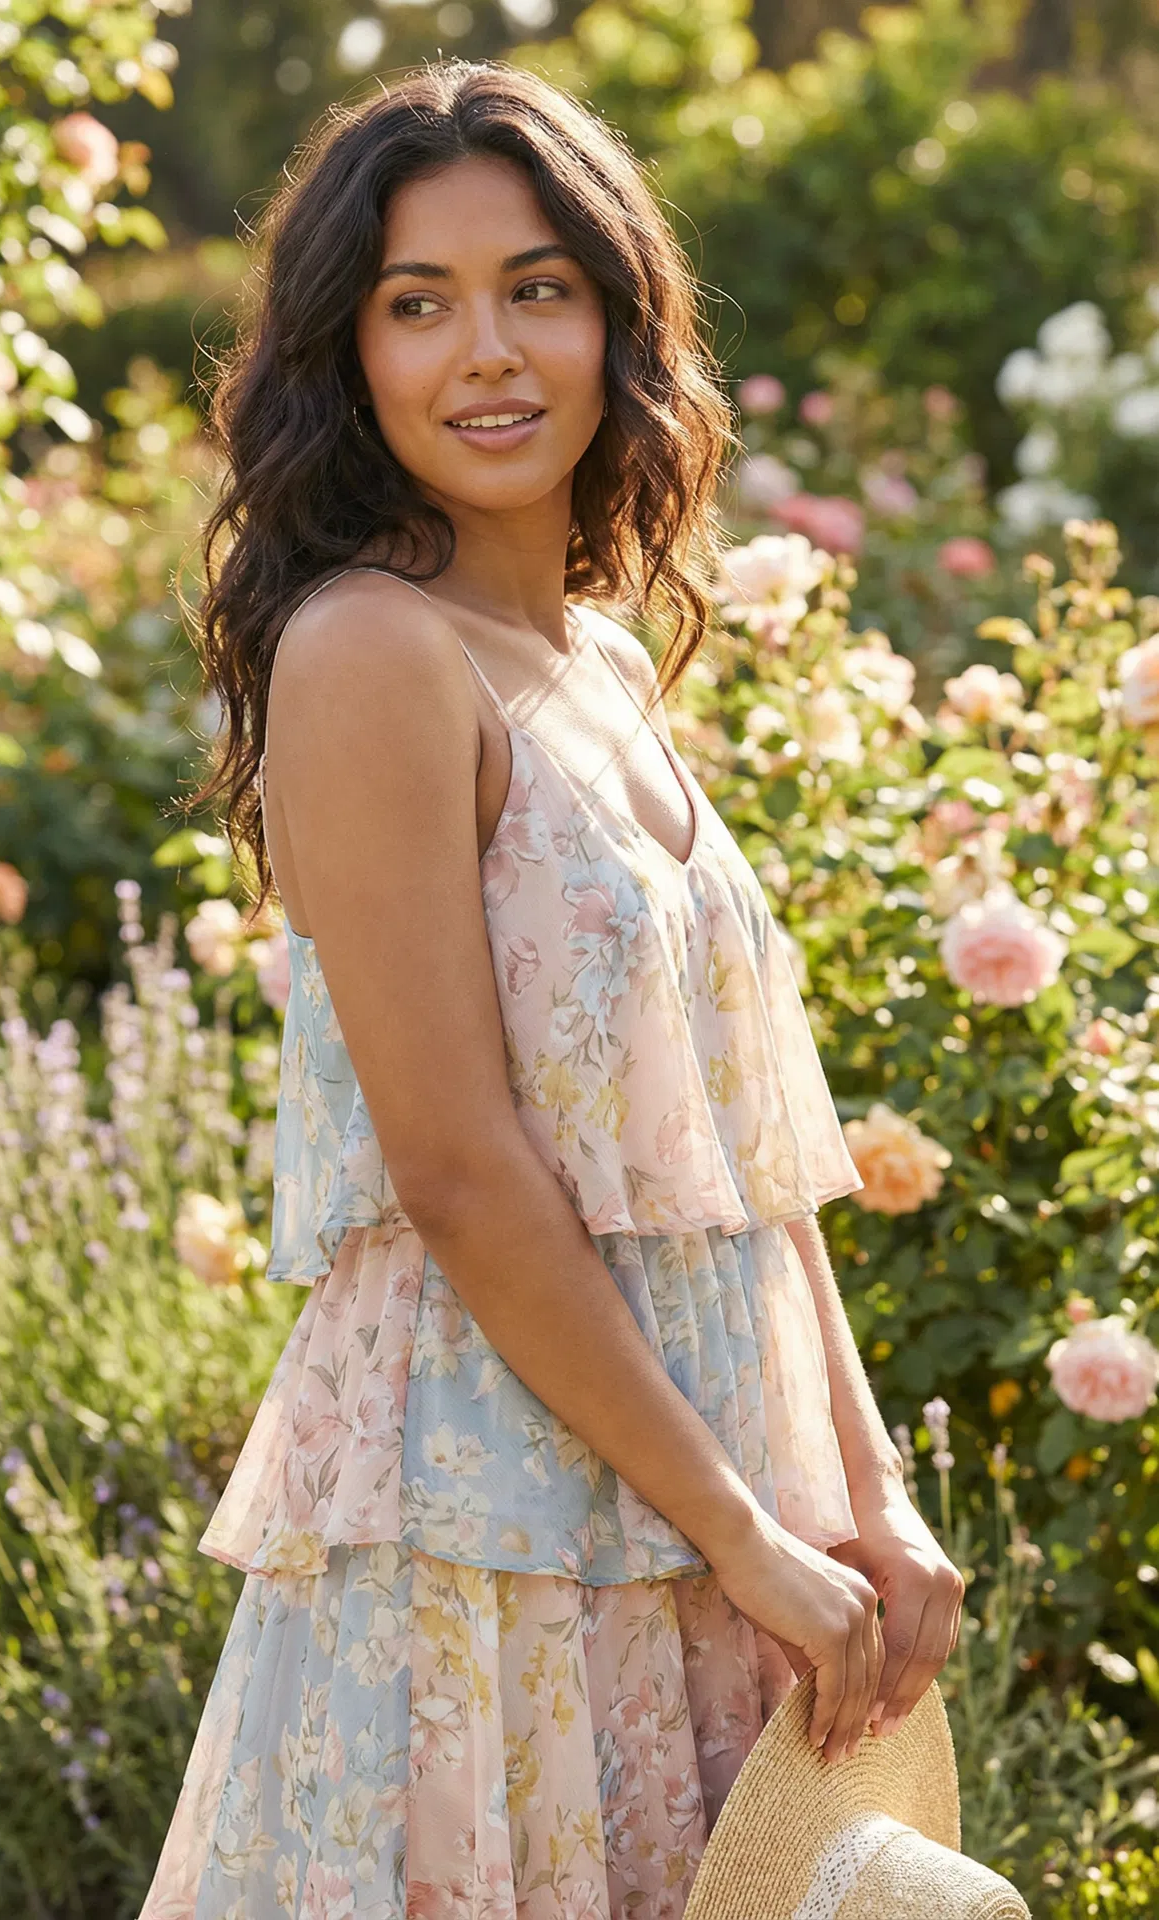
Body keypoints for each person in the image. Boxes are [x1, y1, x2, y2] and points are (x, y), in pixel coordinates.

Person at [139, 57, 964, 1920]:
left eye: (535, 287)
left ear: (614, 318)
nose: (483, 352)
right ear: (344, 360)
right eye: (413, 306)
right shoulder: (367, 650)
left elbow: (746, 1169)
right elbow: (457, 1169)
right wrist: (749, 1533)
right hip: (493, 1534)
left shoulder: (591, 658)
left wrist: (870, 1490)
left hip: (705, 1514)